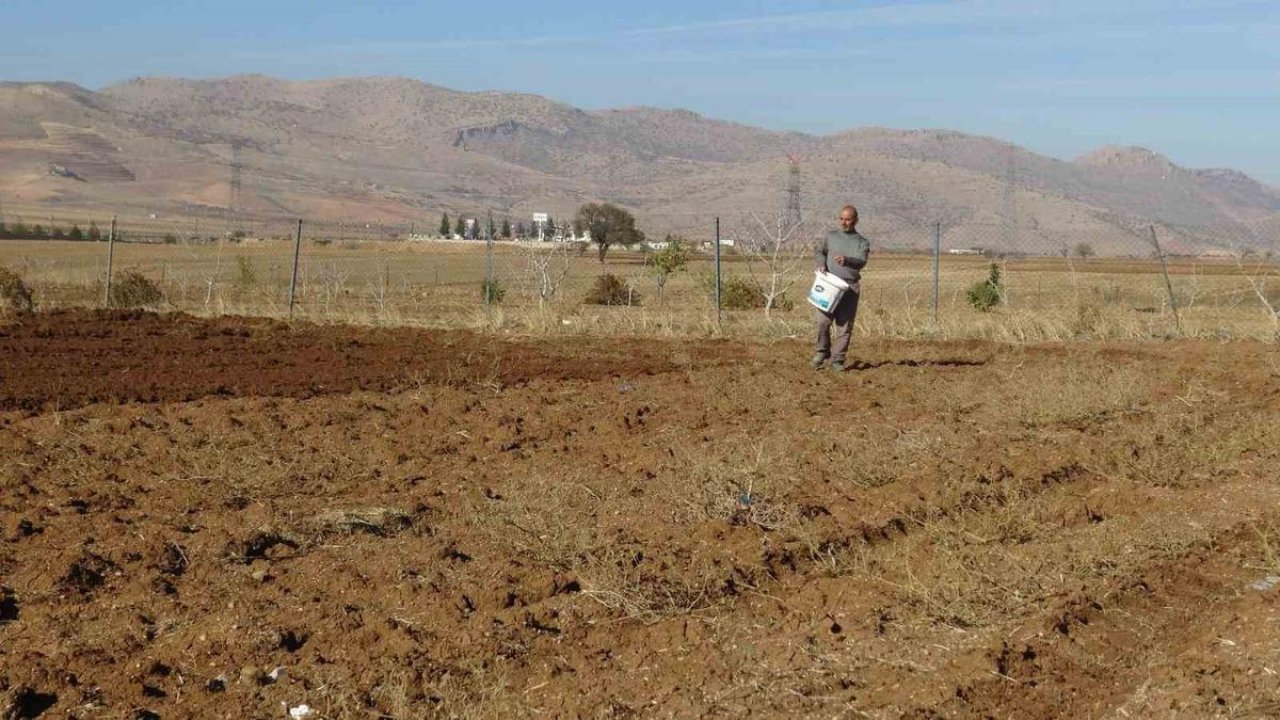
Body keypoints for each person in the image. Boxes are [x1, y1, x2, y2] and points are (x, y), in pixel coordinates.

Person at [812, 205, 870, 372]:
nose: (844, 222)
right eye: (842, 219)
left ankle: (838, 360)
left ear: (855, 221)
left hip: (849, 287)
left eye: (848, 219)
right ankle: (822, 351)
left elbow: (862, 261)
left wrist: (847, 260)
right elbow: (820, 252)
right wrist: (821, 264)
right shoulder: (831, 236)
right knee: (822, 321)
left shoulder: (862, 242)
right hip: (829, 283)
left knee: (844, 326)